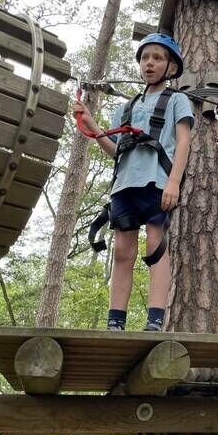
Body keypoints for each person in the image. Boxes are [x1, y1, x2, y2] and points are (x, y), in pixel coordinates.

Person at [73, 33, 193, 332]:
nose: (149, 63)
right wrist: (92, 126)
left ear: (171, 67)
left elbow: (183, 141)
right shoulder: (126, 109)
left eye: (157, 58)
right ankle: (115, 321)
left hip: (157, 181)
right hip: (124, 184)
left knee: (156, 247)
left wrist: (174, 182)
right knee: (122, 251)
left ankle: (155, 319)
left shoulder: (177, 100)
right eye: (145, 58)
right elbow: (117, 151)